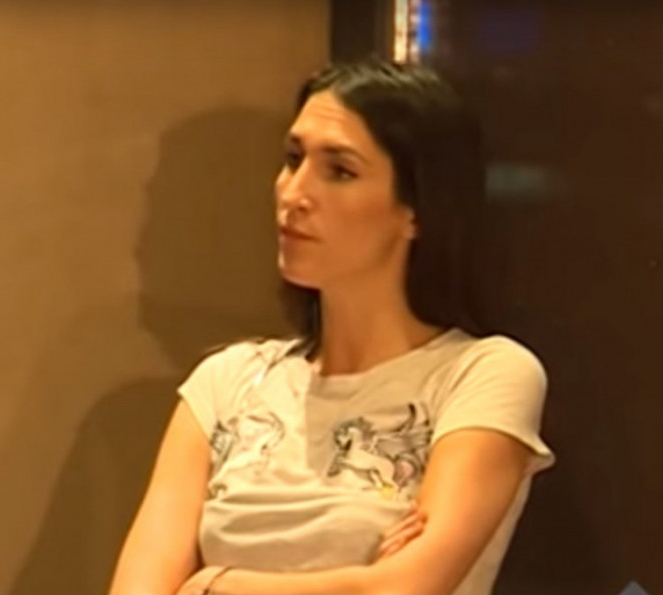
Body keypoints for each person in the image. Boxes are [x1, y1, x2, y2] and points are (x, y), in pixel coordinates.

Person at [109, 59, 554, 595]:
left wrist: (214, 584)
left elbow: (401, 590)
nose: (293, 194)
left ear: (415, 210)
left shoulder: (482, 374)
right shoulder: (226, 382)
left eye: (339, 171)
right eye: (293, 159)